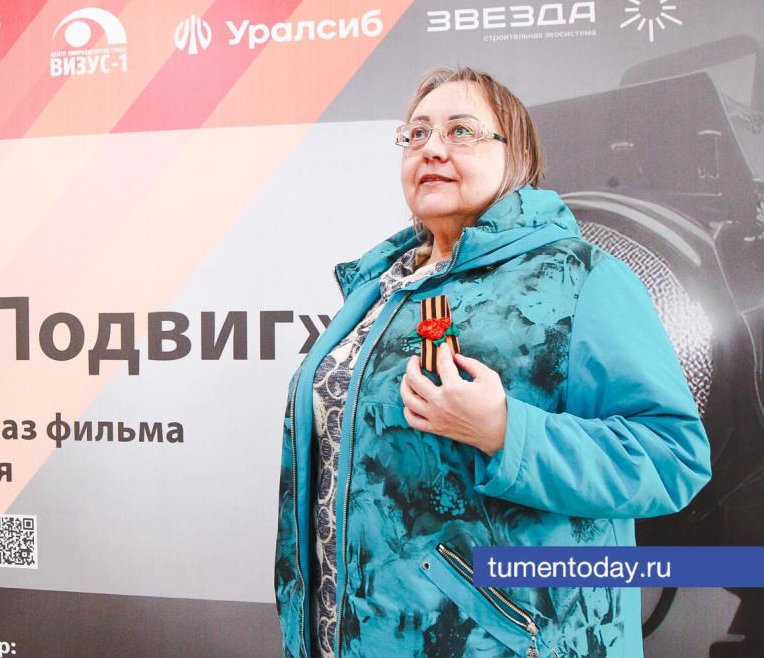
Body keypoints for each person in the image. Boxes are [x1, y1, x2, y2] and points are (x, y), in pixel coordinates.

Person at [273, 67, 712, 658]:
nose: (432, 148)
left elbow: (672, 457)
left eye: (460, 131)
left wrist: (505, 431)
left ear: (517, 156)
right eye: (417, 133)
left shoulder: (581, 277)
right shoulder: (381, 287)